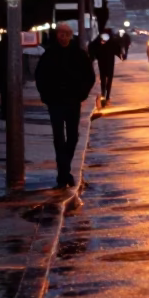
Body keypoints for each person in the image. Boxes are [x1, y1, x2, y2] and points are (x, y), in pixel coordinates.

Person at [35, 22, 95, 189]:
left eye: (65, 34)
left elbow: (89, 76)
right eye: (59, 33)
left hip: (72, 100)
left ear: (70, 35)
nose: (62, 37)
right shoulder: (50, 54)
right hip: (55, 101)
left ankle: (64, 170)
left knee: (73, 137)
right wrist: (46, 96)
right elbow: (40, 76)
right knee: (59, 138)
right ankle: (63, 174)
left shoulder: (79, 54)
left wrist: (81, 94)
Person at [89, 28, 121, 105]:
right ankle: (106, 96)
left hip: (102, 61)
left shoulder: (99, 40)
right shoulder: (111, 40)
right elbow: (117, 48)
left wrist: (94, 56)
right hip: (109, 61)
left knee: (103, 78)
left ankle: (104, 94)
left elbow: (92, 47)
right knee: (108, 79)